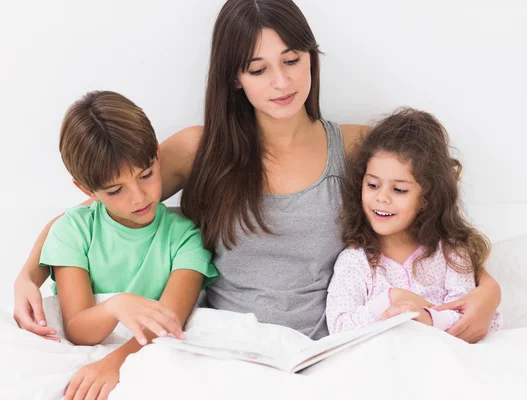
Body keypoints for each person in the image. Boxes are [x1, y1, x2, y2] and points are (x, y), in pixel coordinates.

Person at [13, 0, 500, 344]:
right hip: (223, 344)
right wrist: (26, 277)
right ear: (235, 77)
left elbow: (425, 218)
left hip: (331, 347)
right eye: (259, 69)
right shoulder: (198, 149)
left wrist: (488, 290)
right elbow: (99, 207)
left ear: (311, 57)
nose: (282, 82)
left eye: (292, 60)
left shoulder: (352, 146)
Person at [40, 91, 218, 399]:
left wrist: (115, 364)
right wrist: (118, 305)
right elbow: (79, 331)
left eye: (146, 175)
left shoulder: (186, 237)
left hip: (147, 352)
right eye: (115, 190)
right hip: (92, 353)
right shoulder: (73, 231)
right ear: (87, 190)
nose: (138, 197)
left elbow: (168, 323)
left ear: (158, 159)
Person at [326, 108, 501, 334]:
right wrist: (390, 300)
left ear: (426, 197)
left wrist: (426, 317)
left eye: (399, 190)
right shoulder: (355, 262)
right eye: (372, 185)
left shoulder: (451, 254)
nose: (381, 197)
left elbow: (467, 317)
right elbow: (339, 329)